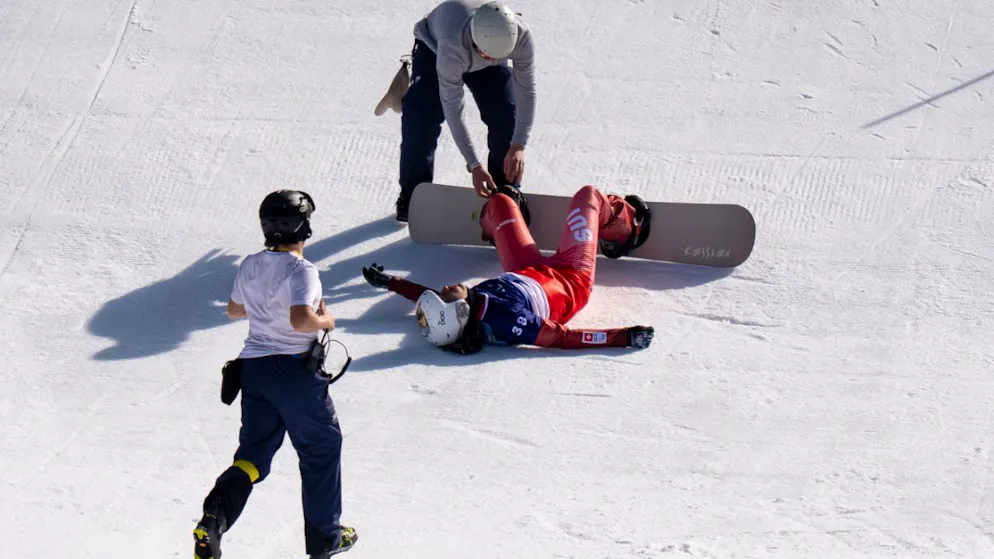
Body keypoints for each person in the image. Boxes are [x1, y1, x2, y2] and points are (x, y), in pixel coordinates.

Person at [193, 190, 357, 559]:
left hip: (255, 369)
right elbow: (302, 321)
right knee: (320, 449)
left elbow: (235, 311)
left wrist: (268, 307)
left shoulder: (251, 264)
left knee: (252, 456)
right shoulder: (303, 270)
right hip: (294, 372)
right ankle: (325, 537)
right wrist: (326, 319)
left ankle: (214, 520)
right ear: (305, 227)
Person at [362, 185, 656, 353]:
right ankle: (624, 228)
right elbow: (563, 338)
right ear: (459, 310)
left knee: (500, 201)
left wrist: (390, 283)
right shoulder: (509, 322)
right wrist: (623, 337)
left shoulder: (462, 307)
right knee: (588, 196)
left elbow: (426, 297)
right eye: (447, 296)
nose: (446, 288)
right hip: (571, 276)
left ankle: (505, 217)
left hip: (525, 269)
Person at [395, 0, 537, 222]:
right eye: (487, 55)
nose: (491, 60)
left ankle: (506, 191)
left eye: (497, 57)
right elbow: (454, 110)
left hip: (484, 46)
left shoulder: (520, 37)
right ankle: (414, 194)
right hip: (435, 48)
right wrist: (474, 166)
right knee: (422, 117)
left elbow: (526, 93)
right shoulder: (452, 49)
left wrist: (519, 144)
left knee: (507, 113)